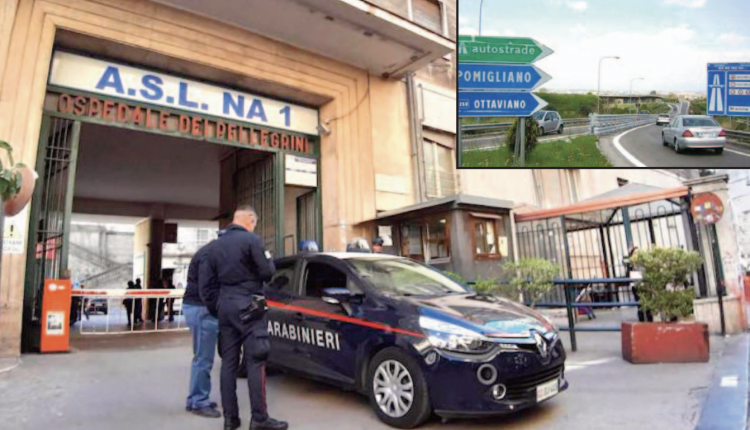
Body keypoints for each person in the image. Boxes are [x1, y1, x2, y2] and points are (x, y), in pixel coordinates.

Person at [200, 206, 287, 430]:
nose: (254, 227)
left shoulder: (214, 246)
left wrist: (217, 307)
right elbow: (268, 273)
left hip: (226, 304)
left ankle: (230, 420)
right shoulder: (252, 240)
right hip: (252, 302)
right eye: (254, 223)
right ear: (249, 220)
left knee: (228, 363)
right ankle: (259, 419)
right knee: (256, 360)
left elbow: (205, 286)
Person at [183, 241, 222, 418]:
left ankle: (194, 399)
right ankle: (199, 401)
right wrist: (215, 309)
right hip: (202, 309)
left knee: (200, 356)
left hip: (196, 307)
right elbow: (206, 288)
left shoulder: (206, 252)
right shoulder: (210, 255)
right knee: (204, 359)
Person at [626, 246, 653, 322]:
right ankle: (641, 319)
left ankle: (649, 318)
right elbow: (628, 275)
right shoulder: (630, 264)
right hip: (636, 285)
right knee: (640, 303)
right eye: (635, 253)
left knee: (648, 303)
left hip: (644, 284)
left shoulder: (644, 262)